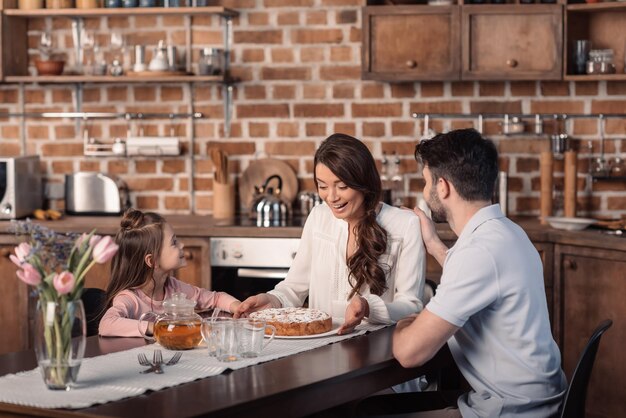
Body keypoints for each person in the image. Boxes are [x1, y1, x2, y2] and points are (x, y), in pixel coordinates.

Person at [391, 128, 566, 417]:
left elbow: (410, 353)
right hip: (539, 402)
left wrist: (402, 323)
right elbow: (479, 277)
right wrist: (434, 244)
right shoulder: (508, 232)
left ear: (443, 187)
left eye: (425, 182)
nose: (425, 192)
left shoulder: (477, 253)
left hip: (512, 412)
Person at [234, 133, 426, 334]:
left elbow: (412, 306)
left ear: (363, 182)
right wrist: (272, 299)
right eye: (322, 186)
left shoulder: (405, 224)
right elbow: (293, 288)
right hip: (319, 346)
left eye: (342, 186)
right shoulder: (318, 217)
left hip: (378, 346)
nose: (331, 197)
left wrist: (369, 307)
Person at [99, 208, 241, 337]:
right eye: (174, 243)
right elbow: (106, 324)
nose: (182, 245)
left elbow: (215, 299)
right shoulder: (130, 298)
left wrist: (239, 307)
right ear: (152, 261)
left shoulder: (174, 289)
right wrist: (158, 328)